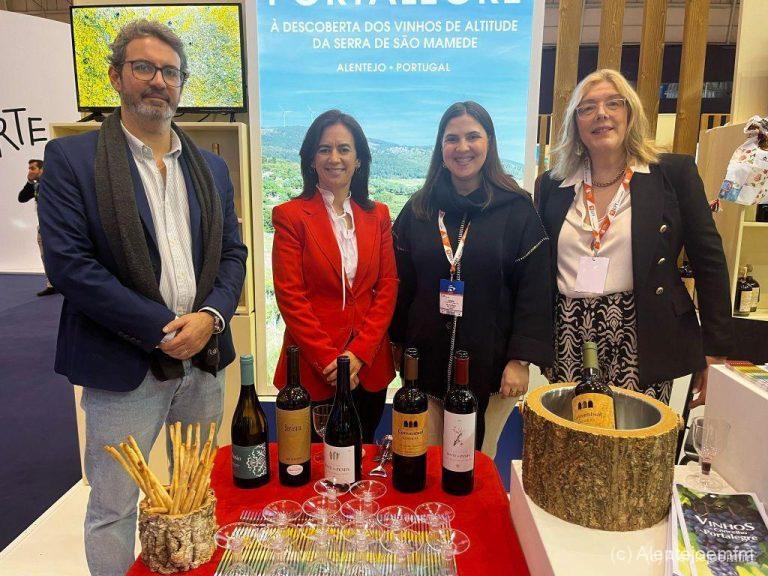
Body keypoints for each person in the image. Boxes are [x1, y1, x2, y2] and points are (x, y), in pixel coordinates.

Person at [37, 20, 247, 576]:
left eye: (170, 72)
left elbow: (233, 254)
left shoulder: (211, 168)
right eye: (144, 68)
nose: (158, 81)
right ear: (116, 77)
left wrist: (209, 317)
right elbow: (70, 266)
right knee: (113, 506)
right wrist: (162, 328)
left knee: (193, 494)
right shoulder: (72, 160)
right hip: (121, 364)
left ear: (182, 84)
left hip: (202, 361)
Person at [536, 68, 733, 409]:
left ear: (630, 113)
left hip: (641, 333)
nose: (601, 114)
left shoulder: (673, 173)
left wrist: (716, 350)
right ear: (575, 123)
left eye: (613, 103)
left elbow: (709, 261)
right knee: (574, 438)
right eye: (587, 108)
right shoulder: (552, 184)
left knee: (634, 440)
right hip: (568, 332)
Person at [390, 101, 552, 452]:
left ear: (489, 142)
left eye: (473, 137)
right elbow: (400, 284)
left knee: (476, 467)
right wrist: (397, 344)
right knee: (424, 463)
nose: (462, 147)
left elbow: (535, 289)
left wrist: (520, 360)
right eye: (452, 139)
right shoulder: (419, 209)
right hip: (425, 367)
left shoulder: (517, 208)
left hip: (494, 370)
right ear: (441, 147)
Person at [272, 110, 398, 443]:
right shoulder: (290, 216)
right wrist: (332, 362)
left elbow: (387, 287)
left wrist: (358, 354)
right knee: (312, 461)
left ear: (359, 159)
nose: (334, 158)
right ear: (311, 159)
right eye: (324, 149)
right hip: (314, 369)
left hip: (368, 367)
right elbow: (291, 297)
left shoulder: (378, 215)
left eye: (344, 149)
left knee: (362, 453)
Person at [18, 158, 56, 296]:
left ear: (42, 169)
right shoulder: (35, 186)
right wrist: (29, 182)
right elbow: (22, 198)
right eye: (29, 168)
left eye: (33, 168)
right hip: (43, 227)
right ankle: (52, 284)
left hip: (56, 227)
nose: (30, 171)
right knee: (45, 256)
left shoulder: (53, 183)